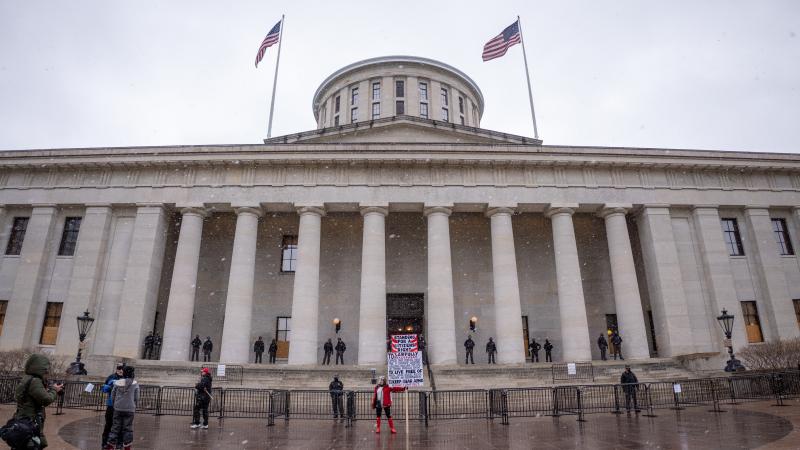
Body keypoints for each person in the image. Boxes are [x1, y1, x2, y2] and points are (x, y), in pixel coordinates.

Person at [11, 353, 62, 449]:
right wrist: (55, 390)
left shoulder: (27, 378)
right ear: (40, 368)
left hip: (23, 419)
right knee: (29, 445)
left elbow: (31, 397)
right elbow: (46, 400)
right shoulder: (35, 381)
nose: (47, 372)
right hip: (30, 422)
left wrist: (47, 390)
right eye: (45, 369)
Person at [105, 366, 139, 450]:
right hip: (129, 409)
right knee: (127, 428)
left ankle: (110, 446)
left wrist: (115, 405)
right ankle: (127, 447)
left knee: (115, 427)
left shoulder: (117, 383)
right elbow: (137, 397)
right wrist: (133, 405)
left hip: (118, 408)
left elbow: (113, 396)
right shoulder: (135, 383)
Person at [101, 364, 124, 449]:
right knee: (108, 424)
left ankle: (119, 443)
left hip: (121, 406)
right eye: (119, 368)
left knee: (120, 425)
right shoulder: (111, 377)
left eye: (122, 369)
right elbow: (104, 389)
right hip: (111, 405)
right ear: (116, 369)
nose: (120, 370)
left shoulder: (126, 378)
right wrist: (110, 386)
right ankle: (105, 442)